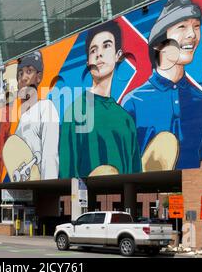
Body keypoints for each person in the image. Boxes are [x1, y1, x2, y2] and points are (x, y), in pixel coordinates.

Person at [121, 0, 202, 169]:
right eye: (182, 26)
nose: (192, 34)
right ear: (158, 43)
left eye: (196, 26)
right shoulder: (132, 103)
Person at [59, 21, 142, 178]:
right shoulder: (77, 111)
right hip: (87, 201)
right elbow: (67, 173)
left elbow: (137, 175)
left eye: (106, 45)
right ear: (88, 63)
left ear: (118, 55)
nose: (99, 54)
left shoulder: (126, 119)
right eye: (93, 50)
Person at [14, 51, 59, 180]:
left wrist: (47, 187)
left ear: (38, 77)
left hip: (41, 187)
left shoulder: (46, 108)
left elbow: (50, 155)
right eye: (20, 74)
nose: (23, 78)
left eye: (29, 71)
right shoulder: (22, 120)